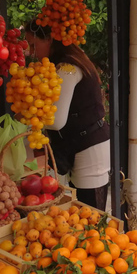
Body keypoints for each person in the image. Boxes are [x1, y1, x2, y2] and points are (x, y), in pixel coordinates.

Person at [25, 21, 110, 211]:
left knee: (90, 213)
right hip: (80, 144)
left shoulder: (67, 69)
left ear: (49, 40)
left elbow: (55, 121)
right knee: (78, 211)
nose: (31, 52)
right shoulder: (65, 65)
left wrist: (26, 112)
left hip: (89, 148)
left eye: (33, 45)